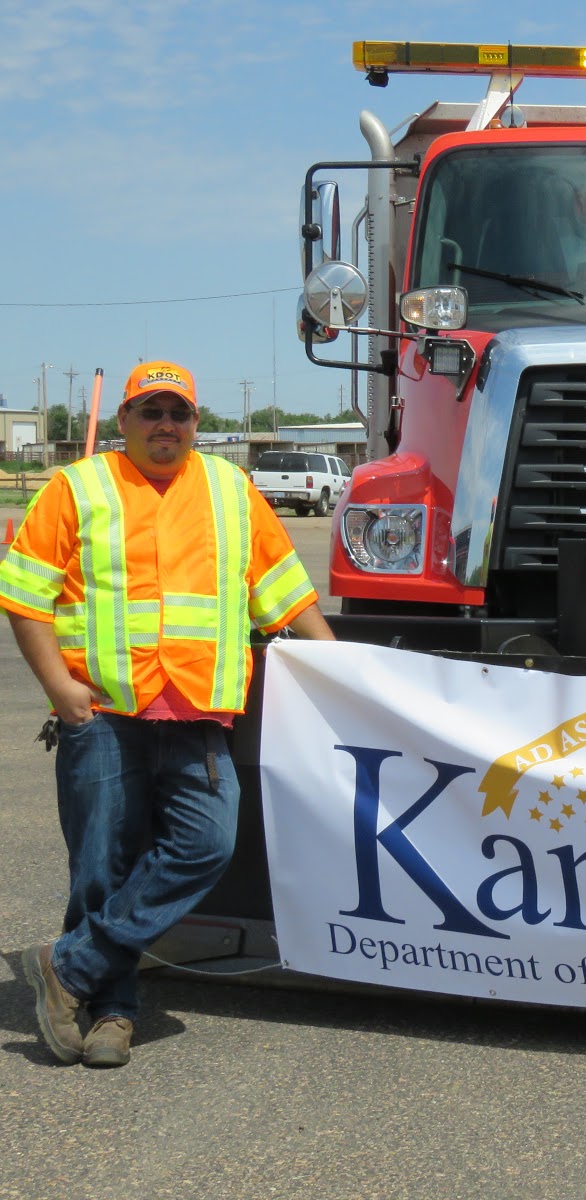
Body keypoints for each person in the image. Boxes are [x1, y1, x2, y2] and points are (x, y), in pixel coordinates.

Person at [1, 360, 335, 1069]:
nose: (165, 426)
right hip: (105, 713)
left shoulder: (230, 490)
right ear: (123, 422)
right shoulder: (78, 486)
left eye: (178, 413)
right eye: (150, 412)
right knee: (100, 868)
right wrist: (59, 690)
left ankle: (66, 966)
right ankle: (112, 1011)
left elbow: (283, 589)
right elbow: (24, 594)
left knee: (208, 844)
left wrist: (344, 669)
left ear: (196, 424)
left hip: (196, 715)